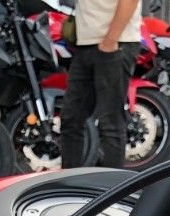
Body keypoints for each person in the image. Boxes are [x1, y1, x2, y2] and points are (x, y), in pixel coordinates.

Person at [60, 0, 141, 169]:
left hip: (115, 44)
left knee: (110, 122)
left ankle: (111, 184)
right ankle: (68, 181)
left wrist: (110, 41)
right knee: (71, 118)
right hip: (86, 44)